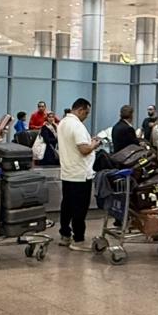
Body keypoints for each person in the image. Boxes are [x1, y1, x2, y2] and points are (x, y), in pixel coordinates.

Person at [57, 98, 101, 250]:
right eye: (86, 113)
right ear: (80, 110)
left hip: (67, 172)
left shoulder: (62, 123)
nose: (86, 116)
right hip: (80, 175)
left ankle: (65, 234)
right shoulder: (77, 126)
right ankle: (78, 239)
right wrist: (94, 144)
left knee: (66, 206)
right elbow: (84, 149)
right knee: (80, 209)